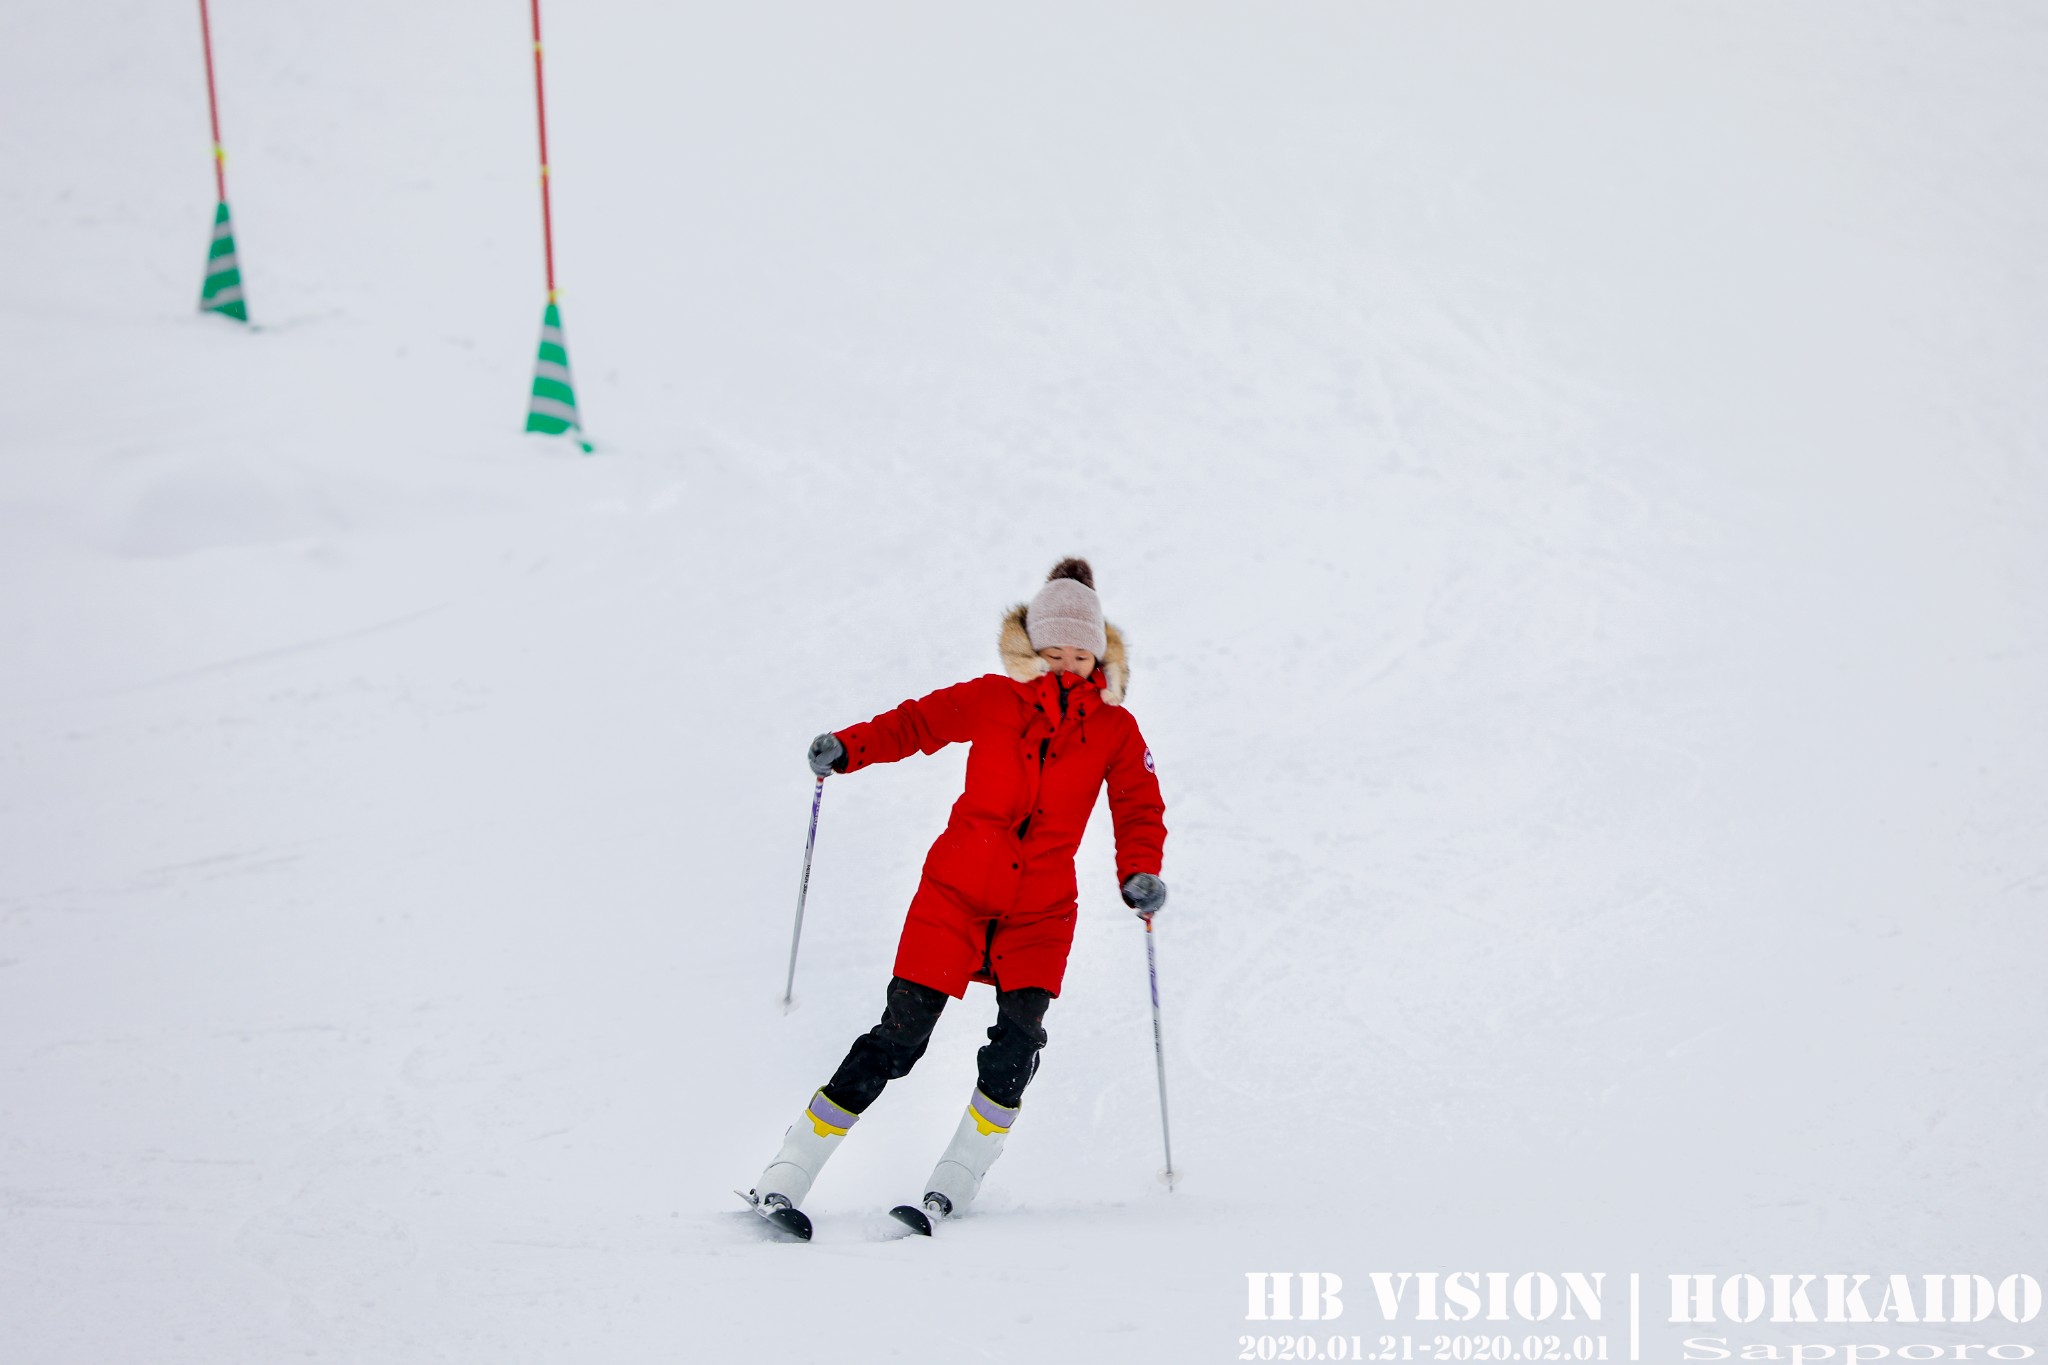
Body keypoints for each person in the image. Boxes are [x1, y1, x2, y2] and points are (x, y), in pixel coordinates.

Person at [748, 558, 1169, 1226]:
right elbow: (915, 724)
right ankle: (788, 1170)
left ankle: (956, 1179)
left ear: (1099, 654)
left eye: (1079, 652)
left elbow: (1138, 807)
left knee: (1016, 1048)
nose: (1066, 663)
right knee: (899, 1038)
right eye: (1052, 649)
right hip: (955, 894)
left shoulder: (1116, 730)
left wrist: (1137, 873)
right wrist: (848, 748)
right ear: (1031, 647)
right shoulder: (992, 698)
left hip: (1040, 913)